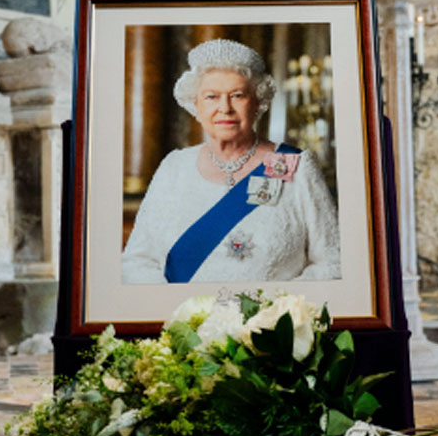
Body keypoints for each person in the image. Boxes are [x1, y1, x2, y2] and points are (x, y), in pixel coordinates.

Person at [121, 38, 341, 284]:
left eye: (237, 95)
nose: (224, 108)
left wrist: (276, 309)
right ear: (196, 105)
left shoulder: (296, 166)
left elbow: (333, 262)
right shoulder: (174, 168)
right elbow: (137, 261)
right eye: (211, 97)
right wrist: (180, 313)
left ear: (258, 102)